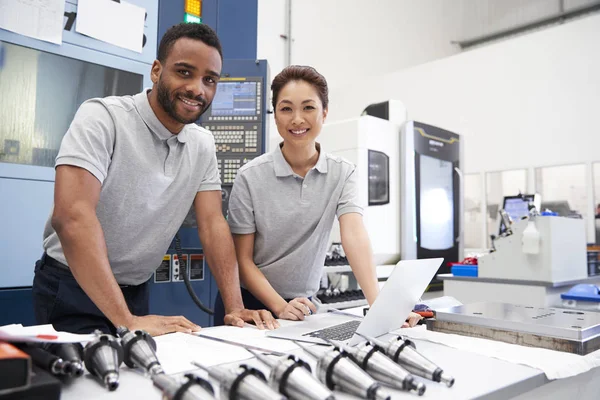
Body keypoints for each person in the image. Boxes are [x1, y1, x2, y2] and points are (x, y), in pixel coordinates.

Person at [31, 23, 278, 336]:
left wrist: (234, 307)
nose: (197, 89)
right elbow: (72, 218)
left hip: (135, 292)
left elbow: (213, 224)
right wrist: (127, 320)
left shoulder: (202, 144)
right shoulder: (103, 118)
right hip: (71, 288)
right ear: (156, 70)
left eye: (209, 80)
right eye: (184, 72)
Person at [213, 65, 422, 328]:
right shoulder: (249, 177)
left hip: (304, 305)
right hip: (253, 307)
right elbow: (241, 260)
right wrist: (279, 306)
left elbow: (354, 236)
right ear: (275, 116)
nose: (297, 119)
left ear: (324, 112)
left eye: (308, 107)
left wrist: (380, 306)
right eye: (286, 108)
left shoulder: (342, 173)